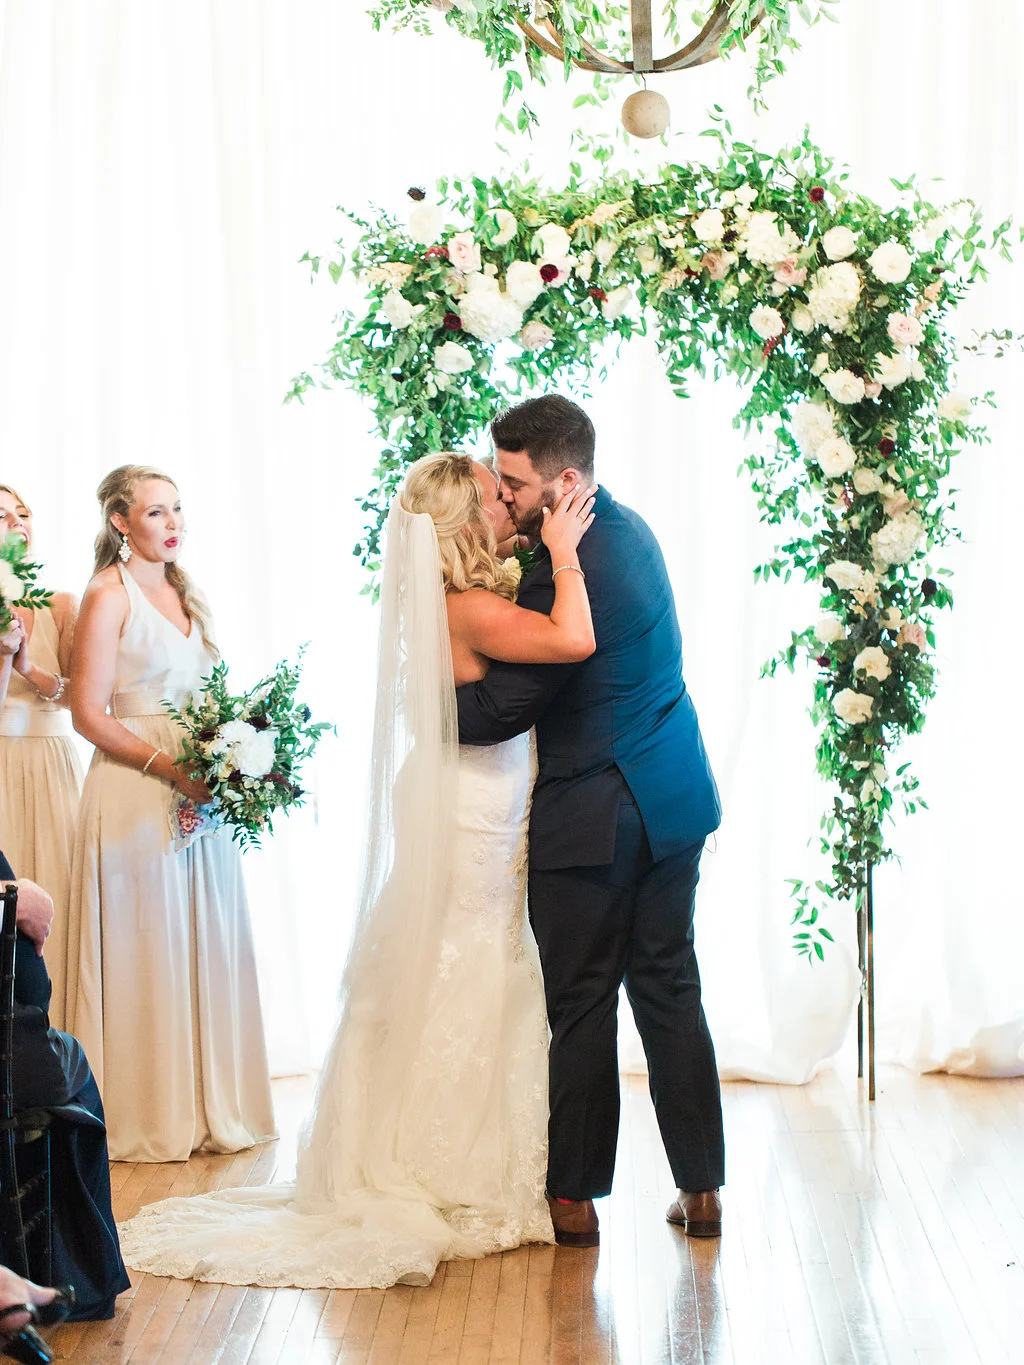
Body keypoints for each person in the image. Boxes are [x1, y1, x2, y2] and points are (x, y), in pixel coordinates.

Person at [115, 452, 596, 1290]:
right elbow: (574, 639)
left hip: (466, 791)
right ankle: (448, 1167)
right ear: (462, 523)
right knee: (471, 958)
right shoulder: (471, 608)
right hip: (475, 802)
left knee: (455, 953)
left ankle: (414, 1146)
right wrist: (564, 551)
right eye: (494, 499)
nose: (507, 508)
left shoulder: (438, 601)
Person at [456, 395, 725, 1246]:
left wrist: (423, 692)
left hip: (594, 817)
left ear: (564, 479)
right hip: (673, 797)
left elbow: (503, 708)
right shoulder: (630, 529)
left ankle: (573, 1200)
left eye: (512, 482)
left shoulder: (560, 572)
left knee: (580, 1002)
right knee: (670, 987)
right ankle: (703, 1189)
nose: (502, 495)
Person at [63, 465, 275, 1163]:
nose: (173, 522)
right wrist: (169, 767)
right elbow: (88, 713)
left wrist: (233, 751)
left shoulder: (186, 589)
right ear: (121, 521)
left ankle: (207, 1104)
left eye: (177, 508)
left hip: (199, 793)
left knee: (200, 933)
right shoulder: (107, 594)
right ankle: (148, 1110)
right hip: (135, 786)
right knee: (146, 942)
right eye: (156, 512)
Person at [0, 850, 130, 1320]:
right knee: (71, 1074)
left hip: (18, 1043)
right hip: (15, 1054)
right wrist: (12, 900)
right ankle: (80, 1274)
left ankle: (11, 1278)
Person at [0, 485, 83, 1031]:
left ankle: (65, 1039)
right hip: (2, 766)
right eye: (2, 515)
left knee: (62, 896)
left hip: (53, 765)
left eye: (23, 513)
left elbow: (82, 697)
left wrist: (29, 667)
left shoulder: (60, 605)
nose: (17, 523)